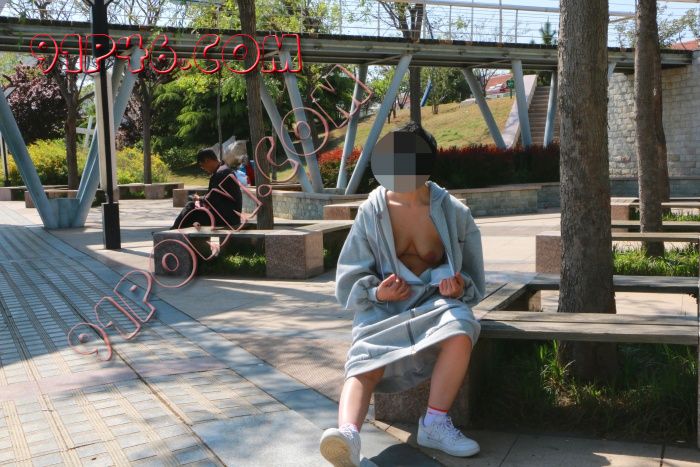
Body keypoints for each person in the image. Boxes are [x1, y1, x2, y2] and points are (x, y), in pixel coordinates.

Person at [319, 122, 485, 466]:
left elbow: (472, 275)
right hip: (385, 308)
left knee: (462, 327)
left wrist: (458, 285)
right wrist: (377, 292)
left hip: (434, 303)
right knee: (363, 357)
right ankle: (348, 435)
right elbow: (350, 273)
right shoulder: (372, 211)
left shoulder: (453, 212)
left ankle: (435, 423)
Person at [170, 148, 243, 230]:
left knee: (190, 209)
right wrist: (201, 200)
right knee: (192, 209)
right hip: (229, 216)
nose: (203, 168)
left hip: (226, 218)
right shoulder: (224, 170)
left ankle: (173, 231)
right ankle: (175, 231)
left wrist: (199, 199)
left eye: (202, 165)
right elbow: (215, 196)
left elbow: (212, 199)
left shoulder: (221, 173)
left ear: (207, 160)